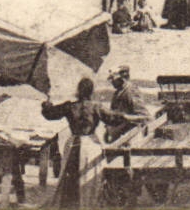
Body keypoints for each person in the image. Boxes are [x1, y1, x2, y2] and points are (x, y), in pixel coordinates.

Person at [41, 77, 137, 207]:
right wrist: (128, 117)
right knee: (90, 180)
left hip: (73, 145)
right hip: (90, 146)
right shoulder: (96, 107)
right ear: (91, 91)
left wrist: (46, 104)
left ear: (78, 91)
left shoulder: (70, 106)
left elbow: (50, 114)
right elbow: (113, 119)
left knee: (70, 180)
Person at [105, 66, 147, 141]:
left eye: (113, 79)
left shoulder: (131, 91)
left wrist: (124, 117)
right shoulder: (117, 92)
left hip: (130, 136)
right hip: (118, 136)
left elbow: (144, 116)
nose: (111, 82)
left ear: (121, 78)